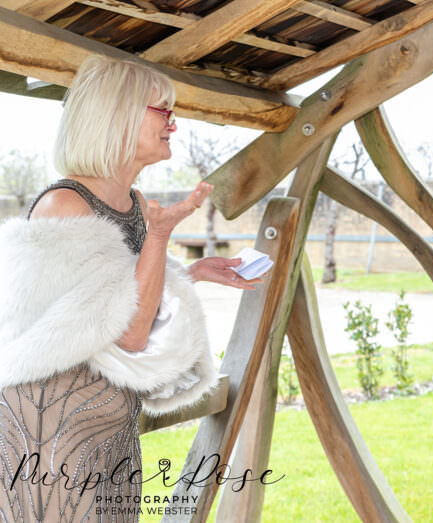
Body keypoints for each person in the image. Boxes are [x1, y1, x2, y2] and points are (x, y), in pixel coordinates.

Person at [0, 56, 262, 522]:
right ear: (116, 114)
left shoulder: (129, 203)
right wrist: (158, 237)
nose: (174, 126)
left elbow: (112, 292)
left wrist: (192, 272)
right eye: (163, 111)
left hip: (104, 428)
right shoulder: (66, 205)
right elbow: (129, 332)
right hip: (52, 435)